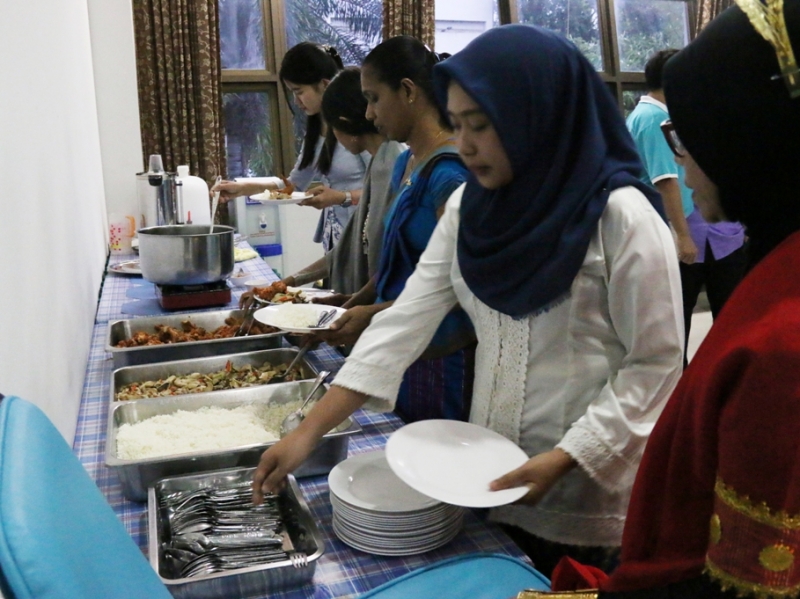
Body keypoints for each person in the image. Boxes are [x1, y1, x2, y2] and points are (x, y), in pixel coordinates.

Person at [252, 24, 684, 577]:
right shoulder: (471, 210)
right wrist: (308, 432)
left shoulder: (622, 218)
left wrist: (569, 456)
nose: (467, 144)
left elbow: (656, 363)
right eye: (458, 125)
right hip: (488, 475)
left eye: (481, 125)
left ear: (538, 115)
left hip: (588, 498)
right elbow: (405, 321)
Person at [578, 3, 800, 597]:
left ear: (746, 137)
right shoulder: (777, 261)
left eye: (690, 138)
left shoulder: (782, 349)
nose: (683, 163)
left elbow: (746, 579)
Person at [314, 36, 476, 424]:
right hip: (402, 347)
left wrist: (373, 314)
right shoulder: (406, 163)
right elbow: (397, 263)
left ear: (407, 91)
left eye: (373, 99)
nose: (368, 114)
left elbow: (458, 289)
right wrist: (355, 301)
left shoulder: (449, 175)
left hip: (443, 356)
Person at [626, 50, 746, 367]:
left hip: (712, 234)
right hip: (687, 233)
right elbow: (666, 181)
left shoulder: (661, 115)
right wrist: (682, 236)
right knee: (680, 319)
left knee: (726, 312)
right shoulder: (654, 119)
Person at [215, 42, 369, 252]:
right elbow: (294, 186)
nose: (296, 101)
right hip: (336, 237)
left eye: (299, 92)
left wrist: (343, 197)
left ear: (325, 85)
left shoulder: (358, 127)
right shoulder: (316, 132)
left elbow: (390, 187)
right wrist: (243, 188)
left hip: (366, 234)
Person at [279, 67, 404, 295]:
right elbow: (346, 250)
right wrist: (287, 283)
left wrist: (350, 305)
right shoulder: (379, 161)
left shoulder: (393, 163)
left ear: (345, 124)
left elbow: (391, 266)